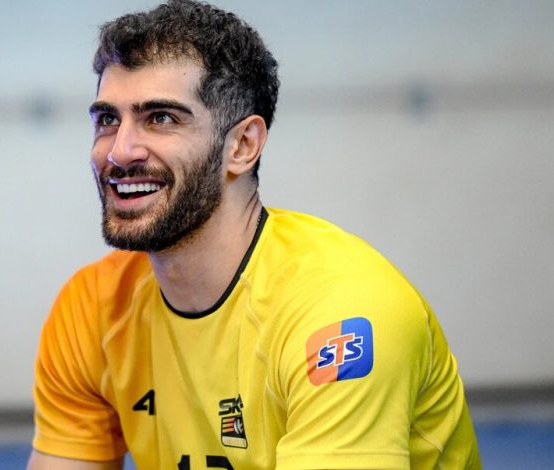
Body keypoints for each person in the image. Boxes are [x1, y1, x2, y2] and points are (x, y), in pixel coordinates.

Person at [28, 0, 481, 468]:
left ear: (243, 146)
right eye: (108, 119)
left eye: (160, 118)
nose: (119, 151)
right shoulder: (93, 308)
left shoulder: (341, 314)